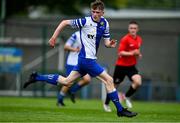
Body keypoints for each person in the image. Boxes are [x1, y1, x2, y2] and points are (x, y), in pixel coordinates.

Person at [23, 0, 137, 117]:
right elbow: (64, 22)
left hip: (84, 60)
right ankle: (120, 110)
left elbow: (106, 42)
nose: (95, 14)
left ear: (103, 12)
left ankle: (36, 77)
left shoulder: (105, 23)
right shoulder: (85, 21)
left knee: (66, 82)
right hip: (87, 60)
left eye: (97, 12)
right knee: (109, 80)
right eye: (93, 11)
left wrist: (110, 44)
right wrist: (53, 37)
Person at [103, 20, 143, 112]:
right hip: (121, 66)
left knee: (138, 82)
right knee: (113, 86)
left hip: (131, 66)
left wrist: (138, 54)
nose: (133, 30)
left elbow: (137, 51)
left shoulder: (139, 39)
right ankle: (106, 103)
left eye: (135, 28)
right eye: (131, 28)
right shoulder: (125, 39)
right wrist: (133, 53)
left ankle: (127, 96)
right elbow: (120, 53)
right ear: (128, 29)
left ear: (137, 29)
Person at [57, 31, 91, 106]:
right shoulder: (76, 35)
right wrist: (75, 49)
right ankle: (60, 100)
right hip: (72, 62)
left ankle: (73, 91)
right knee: (68, 82)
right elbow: (66, 46)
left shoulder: (90, 35)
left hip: (82, 62)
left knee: (87, 80)